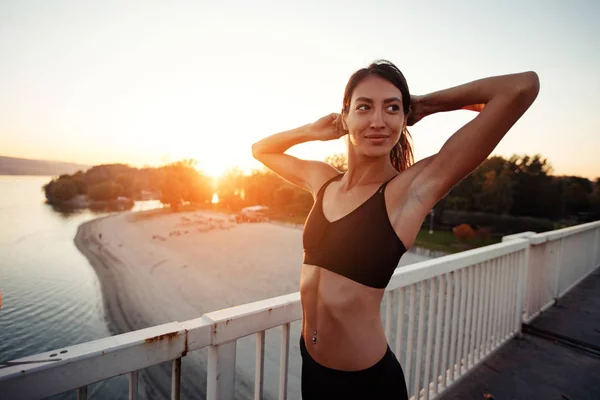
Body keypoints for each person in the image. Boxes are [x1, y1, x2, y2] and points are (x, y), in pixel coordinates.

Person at [252, 60, 539, 399]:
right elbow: (261, 150)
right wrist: (311, 131)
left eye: (392, 108)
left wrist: (427, 104)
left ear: (404, 119)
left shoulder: (411, 190)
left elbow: (521, 87)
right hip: (312, 369)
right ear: (346, 117)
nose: (377, 121)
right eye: (364, 107)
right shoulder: (323, 181)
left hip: (366, 385)